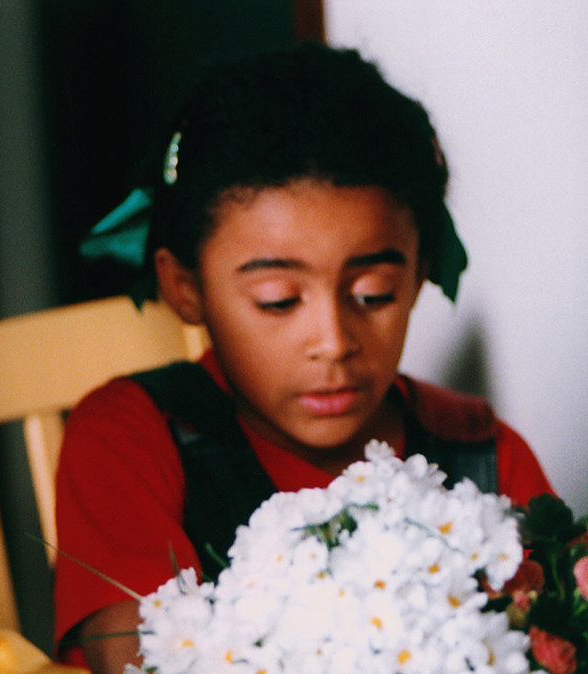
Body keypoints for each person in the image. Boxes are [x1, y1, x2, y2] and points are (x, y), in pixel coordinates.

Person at [53, 43, 554, 673]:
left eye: (373, 294)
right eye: (278, 300)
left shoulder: (483, 455)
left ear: (420, 271)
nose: (333, 341)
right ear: (185, 287)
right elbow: (141, 658)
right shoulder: (130, 441)